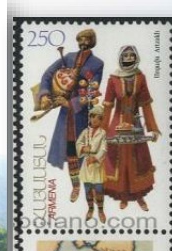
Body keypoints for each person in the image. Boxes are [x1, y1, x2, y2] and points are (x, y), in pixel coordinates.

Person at [37, 28, 104, 202]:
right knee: (70, 151)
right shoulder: (68, 57)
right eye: (80, 39)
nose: (82, 42)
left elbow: (92, 91)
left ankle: (89, 189)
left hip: (83, 116)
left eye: (86, 39)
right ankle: (75, 187)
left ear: (92, 41)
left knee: (87, 152)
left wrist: (71, 103)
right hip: (65, 116)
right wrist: (44, 94)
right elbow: (48, 74)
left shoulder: (97, 64)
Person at [102, 45, 161, 211]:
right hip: (117, 125)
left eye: (131, 55)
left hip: (135, 125)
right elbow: (107, 106)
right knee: (118, 161)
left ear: (135, 57)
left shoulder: (140, 77)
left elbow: (146, 105)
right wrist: (102, 130)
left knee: (138, 161)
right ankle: (123, 197)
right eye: (125, 55)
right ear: (121, 57)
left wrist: (153, 128)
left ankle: (139, 196)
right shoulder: (113, 78)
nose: (128, 57)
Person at [76, 105, 107, 222]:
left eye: (97, 118)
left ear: (101, 120)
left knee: (99, 189)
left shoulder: (103, 133)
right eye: (92, 117)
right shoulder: (85, 132)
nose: (94, 120)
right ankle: (90, 209)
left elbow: (104, 149)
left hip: (96, 165)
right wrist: (84, 148)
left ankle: (100, 210)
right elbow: (78, 143)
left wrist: (95, 158)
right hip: (86, 165)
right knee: (87, 189)